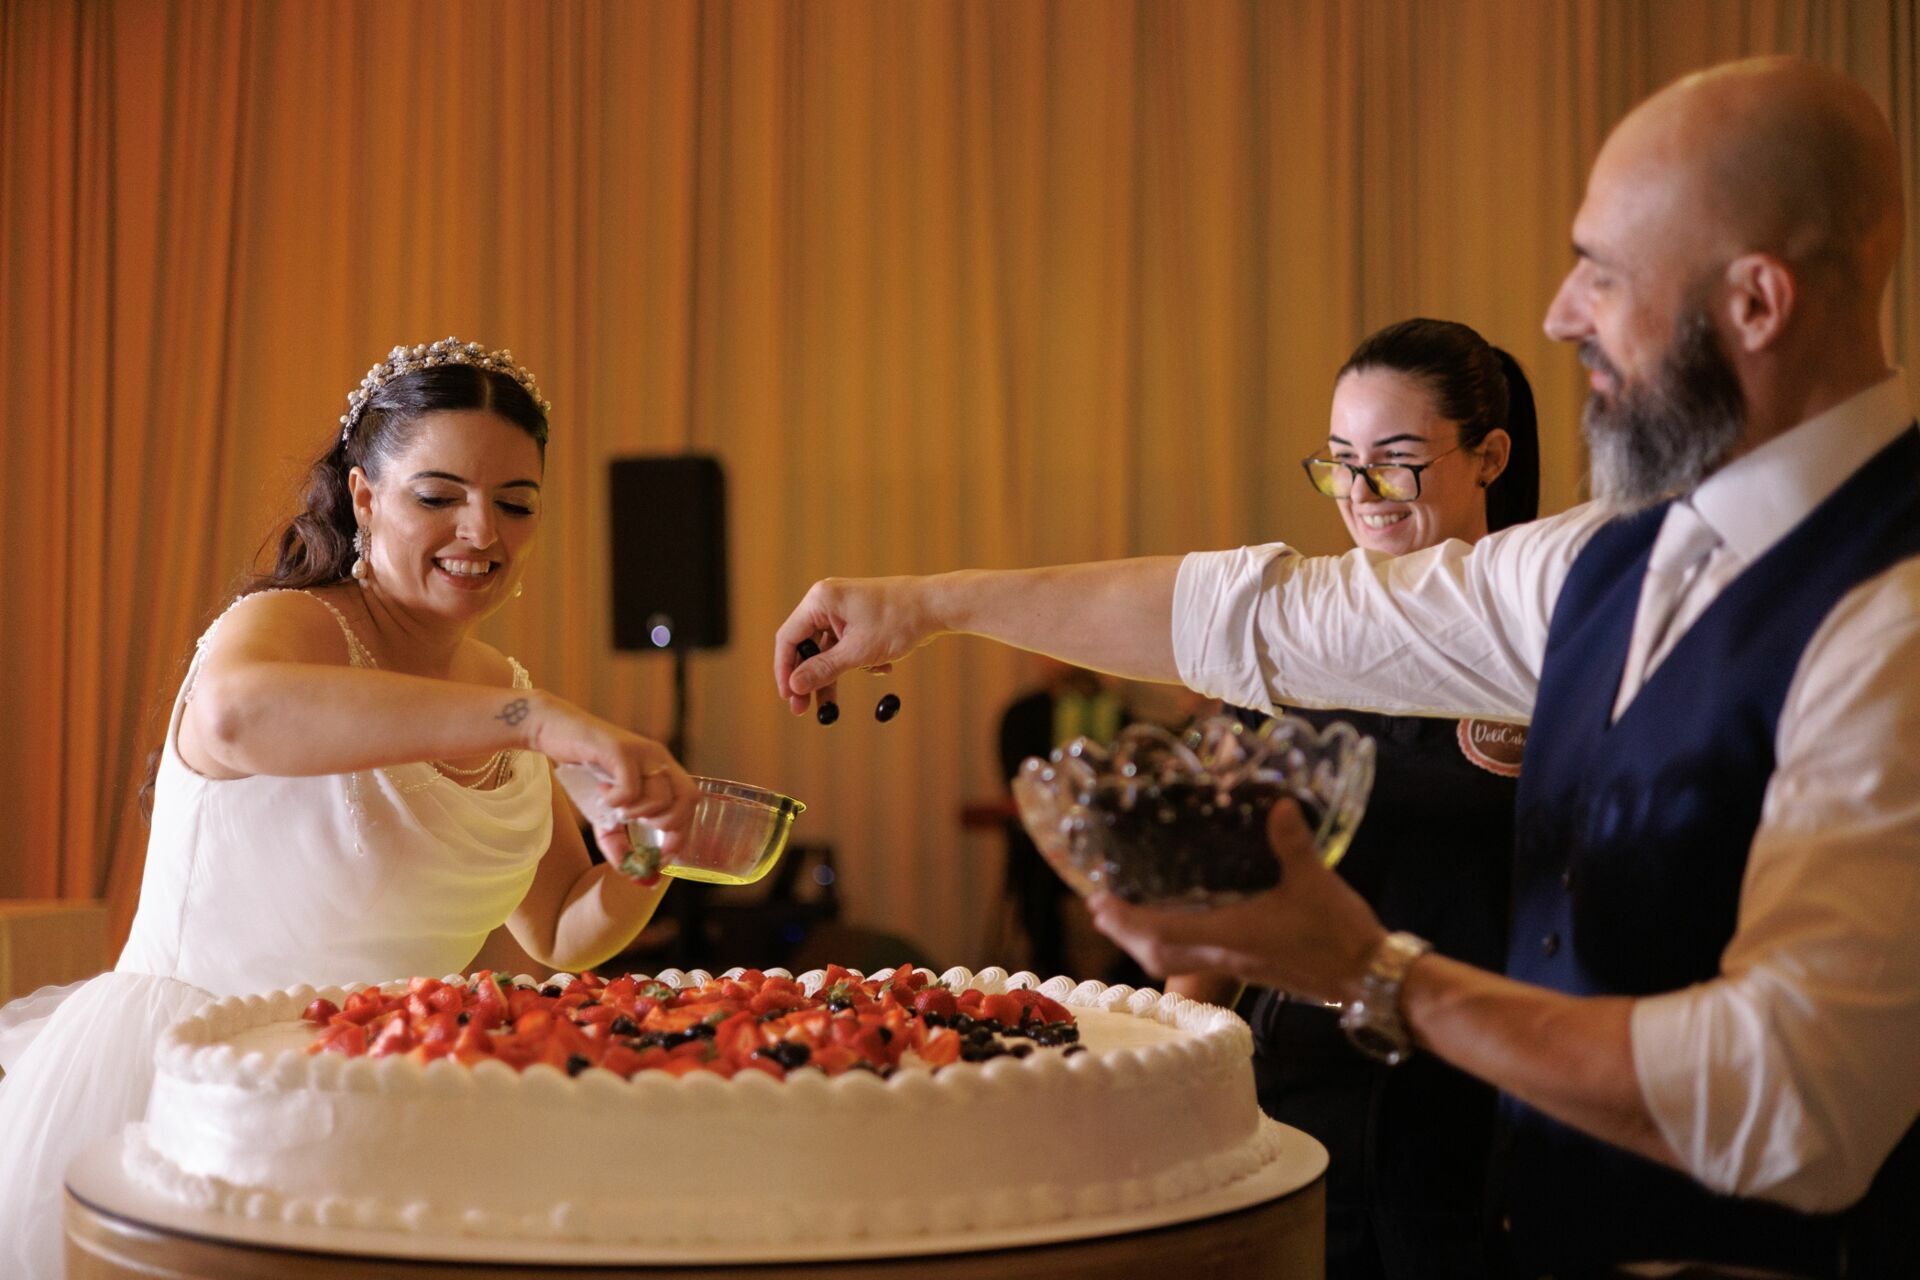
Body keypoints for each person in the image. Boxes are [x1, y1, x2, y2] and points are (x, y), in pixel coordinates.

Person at [773, 58, 1920, 1276]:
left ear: (1757, 303)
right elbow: (1268, 615)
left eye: (1606, 270)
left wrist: (1374, 974)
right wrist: (926, 604)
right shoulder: (1609, 559)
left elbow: (1794, 1102)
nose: (1559, 312)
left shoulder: (1894, 609)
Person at [0, 338, 696, 1278]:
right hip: (208, 1089)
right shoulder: (293, 627)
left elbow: (565, 929)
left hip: (392, 1105)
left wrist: (651, 850)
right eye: (437, 496)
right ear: (365, 496)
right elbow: (235, 717)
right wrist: (534, 723)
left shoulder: (504, 685)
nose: (481, 533)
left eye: (516, 503)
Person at [1176, 316, 1537, 1280]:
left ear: (1489, 455)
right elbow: (1224, 891)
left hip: (1485, 1105)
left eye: (1396, 462)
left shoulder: (1544, 639)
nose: (1361, 494)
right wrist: (1178, 1077)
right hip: (1296, 1090)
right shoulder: (1287, 647)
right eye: (1340, 463)